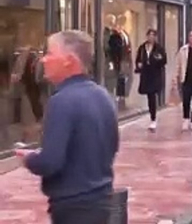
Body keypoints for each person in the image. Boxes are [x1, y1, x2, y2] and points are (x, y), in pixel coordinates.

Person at [15, 30, 118, 224]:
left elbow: (50, 162)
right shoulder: (103, 96)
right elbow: (109, 147)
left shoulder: (62, 101)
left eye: (50, 54)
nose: (43, 60)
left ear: (69, 60)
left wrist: (29, 159)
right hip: (101, 201)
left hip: (73, 207)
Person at [135, 29, 167, 131]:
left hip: (155, 74)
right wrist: (139, 64)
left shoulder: (159, 48)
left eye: (153, 35)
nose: (151, 37)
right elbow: (138, 59)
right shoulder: (142, 47)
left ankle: (153, 118)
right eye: (149, 35)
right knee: (150, 96)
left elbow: (164, 60)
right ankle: (152, 116)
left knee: (153, 95)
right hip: (146, 74)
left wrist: (157, 59)